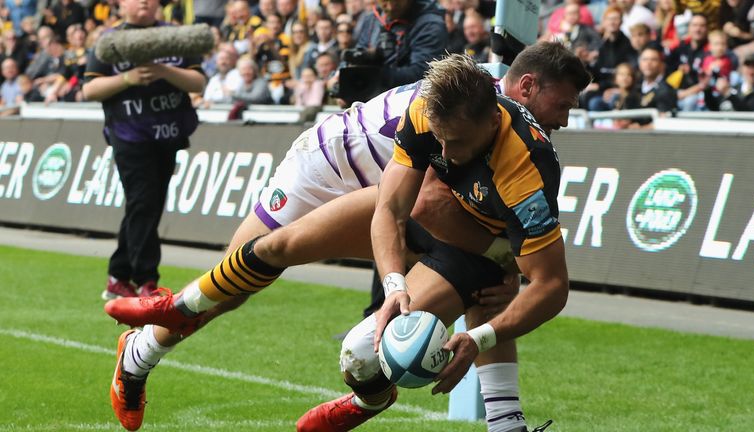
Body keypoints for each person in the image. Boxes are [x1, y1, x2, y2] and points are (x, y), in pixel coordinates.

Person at [102, 43, 590, 432]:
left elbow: (496, 239)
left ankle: (488, 418)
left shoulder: (517, 145)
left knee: (464, 298)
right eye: (562, 103)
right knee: (241, 279)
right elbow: (415, 204)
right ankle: (144, 347)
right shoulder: (451, 104)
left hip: (408, 198)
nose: (564, 117)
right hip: (327, 168)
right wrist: (421, 277)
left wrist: (505, 266)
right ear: (523, 87)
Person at [297, 46, 589, 432]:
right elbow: (397, 208)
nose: (445, 153)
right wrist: (393, 284)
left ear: (489, 124)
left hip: (468, 251)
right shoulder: (431, 109)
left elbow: (551, 285)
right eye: (563, 104)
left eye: (456, 143)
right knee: (278, 246)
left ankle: (506, 424)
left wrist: (482, 327)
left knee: (363, 353)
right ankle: (371, 399)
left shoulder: (527, 162)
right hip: (433, 230)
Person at [82, 0, 207, 300]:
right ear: (121, 4)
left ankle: (118, 275)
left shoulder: (175, 36)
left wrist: (164, 71)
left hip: (167, 132)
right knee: (144, 201)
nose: (145, 2)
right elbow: (89, 89)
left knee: (146, 204)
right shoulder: (110, 41)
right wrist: (128, 79)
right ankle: (146, 279)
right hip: (128, 133)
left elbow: (198, 82)